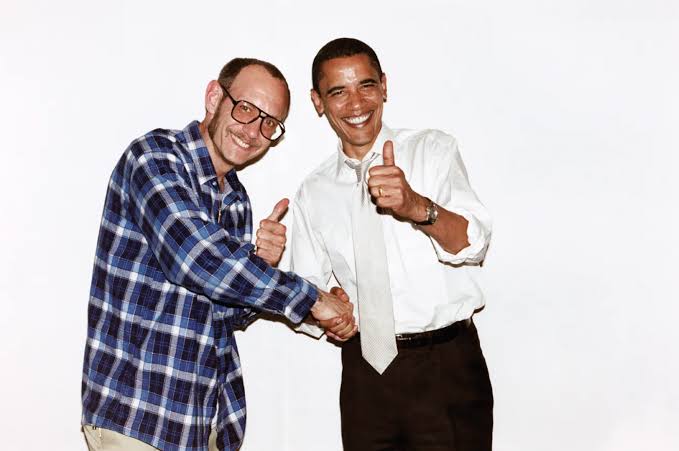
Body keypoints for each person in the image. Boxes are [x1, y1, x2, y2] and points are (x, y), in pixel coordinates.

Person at [81, 57, 356, 451]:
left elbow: (226, 312)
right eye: (246, 109)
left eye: (270, 123)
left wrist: (261, 265)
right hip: (138, 416)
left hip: (203, 423)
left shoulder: (237, 199)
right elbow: (195, 259)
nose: (254, 131)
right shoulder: (156, 158)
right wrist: (314, 300)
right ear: (214, 97)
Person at [290, 38, 494, 450]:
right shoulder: (314, 191)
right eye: (338, 92)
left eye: (366, 85)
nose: (356, 103)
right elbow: (304, 291)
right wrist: (328, 311)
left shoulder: (432, 150)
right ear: (318, 102)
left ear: (384, 86)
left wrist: (415, 205)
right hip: (365, 373)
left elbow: (473, 244)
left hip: (446, 366)